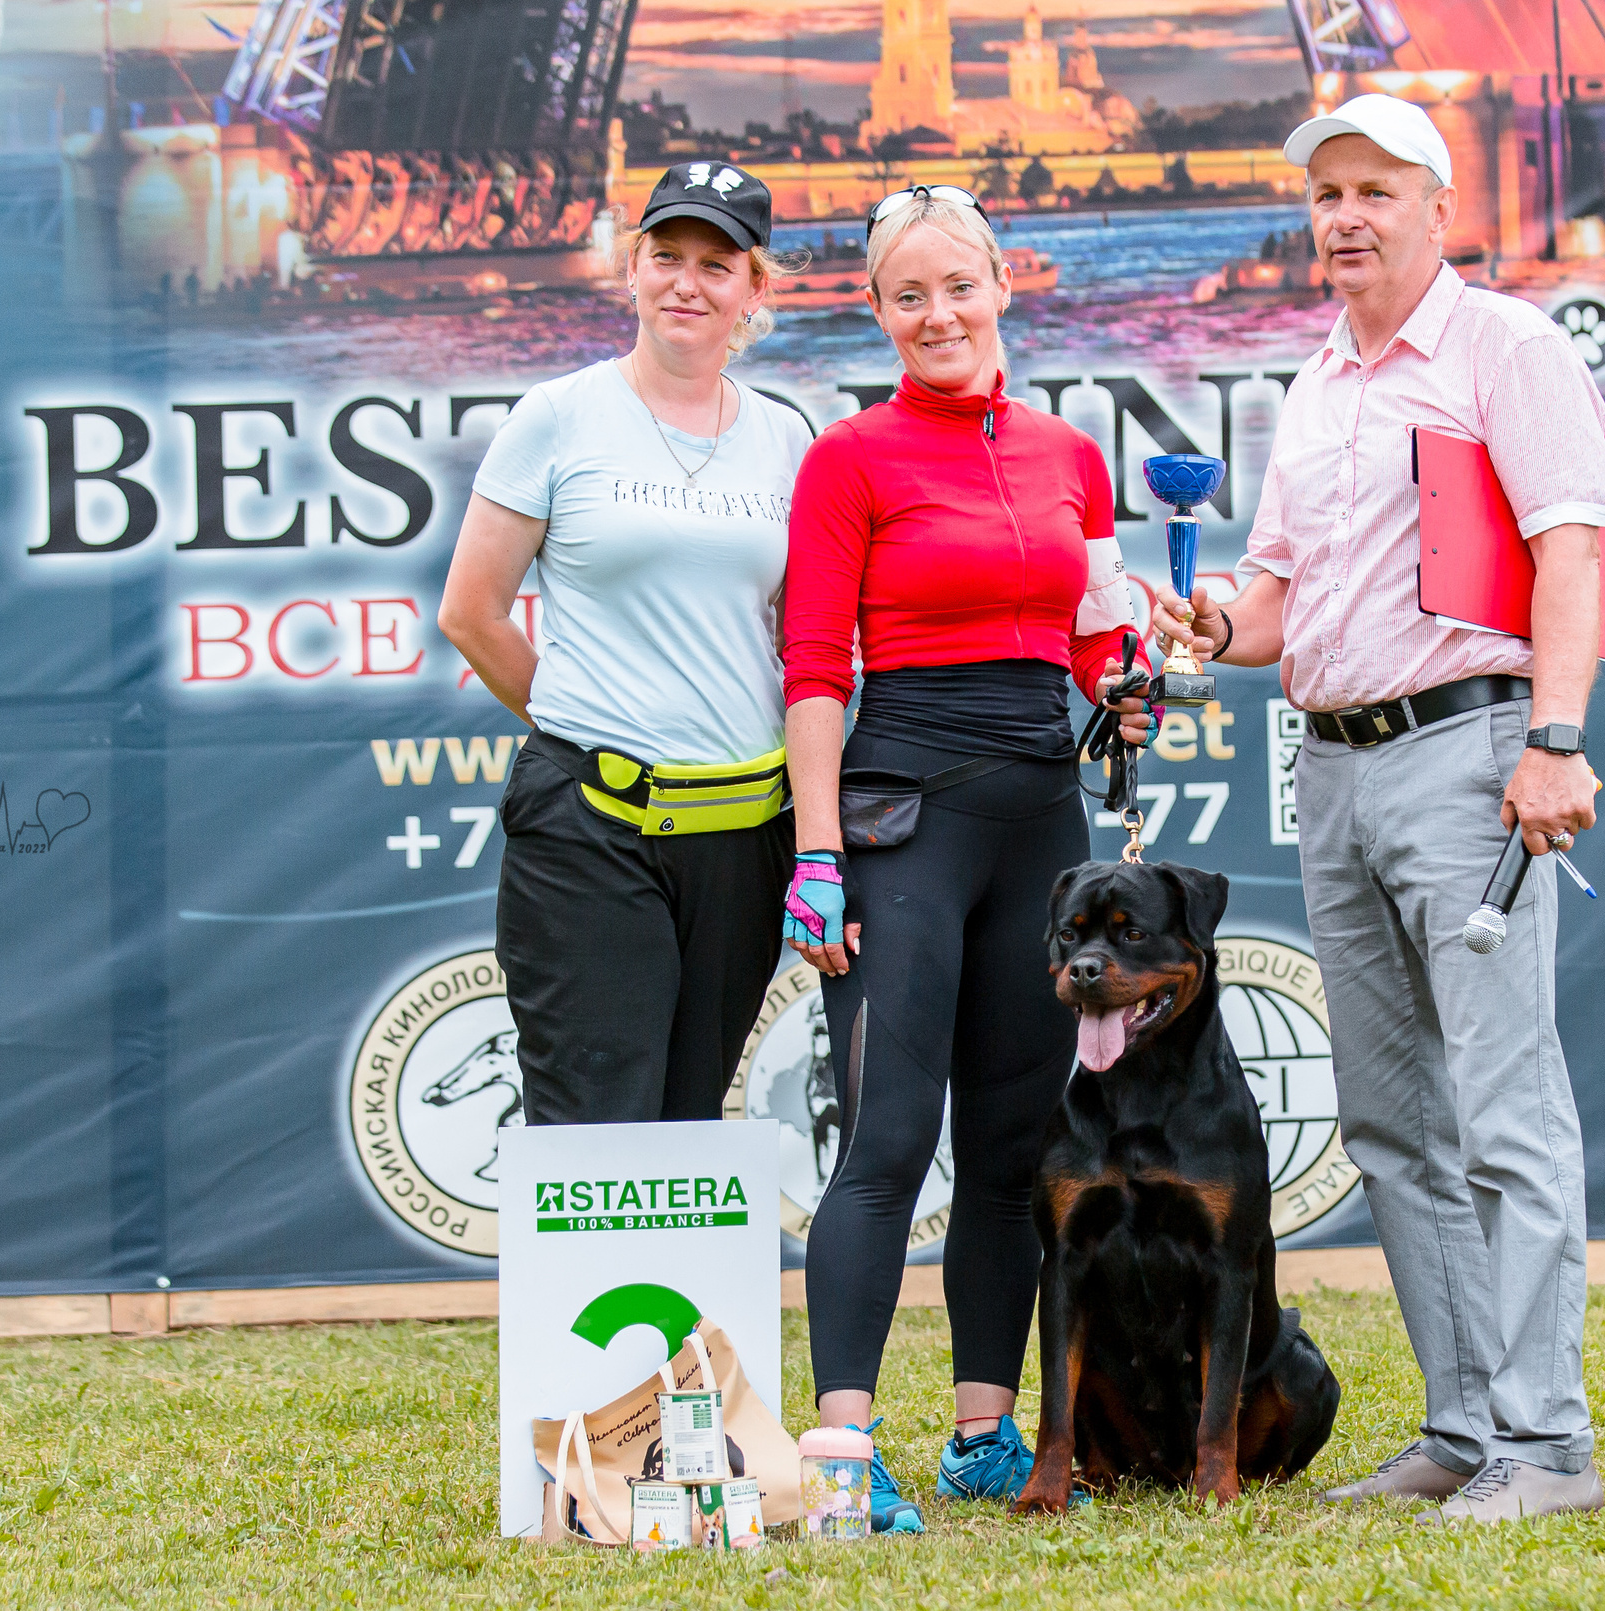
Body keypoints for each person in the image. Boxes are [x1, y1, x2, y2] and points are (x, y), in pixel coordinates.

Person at [1154, 94, 1605, 1522]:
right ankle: (1466, 1425)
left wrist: (1556, 739)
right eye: (1324, 193)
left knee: (1505, 1111)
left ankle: (1551, 1445)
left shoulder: (1508, 349)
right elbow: (1276, 599)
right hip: (1333, 765)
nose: (1342, 214)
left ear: (1437, 204)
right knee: (1393, 1120)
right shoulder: (1319, 383)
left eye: (1372, 190)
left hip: (1472, 756)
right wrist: (1205, 617)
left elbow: (1572, 553)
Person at [780, 185, 1153, 1532]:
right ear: (875, 311)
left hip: (1041, 827)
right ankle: (841, 1450)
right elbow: (817, 665)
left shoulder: (1070, 452)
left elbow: (1097, 634)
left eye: (960, 285)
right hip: (901, 826)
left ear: (1005, 284)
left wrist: (1134, 676)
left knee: (1010, 1145)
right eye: (909, 293)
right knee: (886, 1138)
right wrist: (816, 852)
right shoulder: (851, 459)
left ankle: (985, 1434)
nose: (939, 313)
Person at [438, 162, 811, 1127]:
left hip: (745, 836)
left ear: (754, 289)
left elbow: (799, 638)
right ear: (630, 270)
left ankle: (677, 1291)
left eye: (717, 264)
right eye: (666, 256)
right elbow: (473, 612)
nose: (688, 282)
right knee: (596, 1124)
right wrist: (582, 723)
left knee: (689, 1122)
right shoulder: (559, 416)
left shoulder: (790, 439)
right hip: (592, 829)